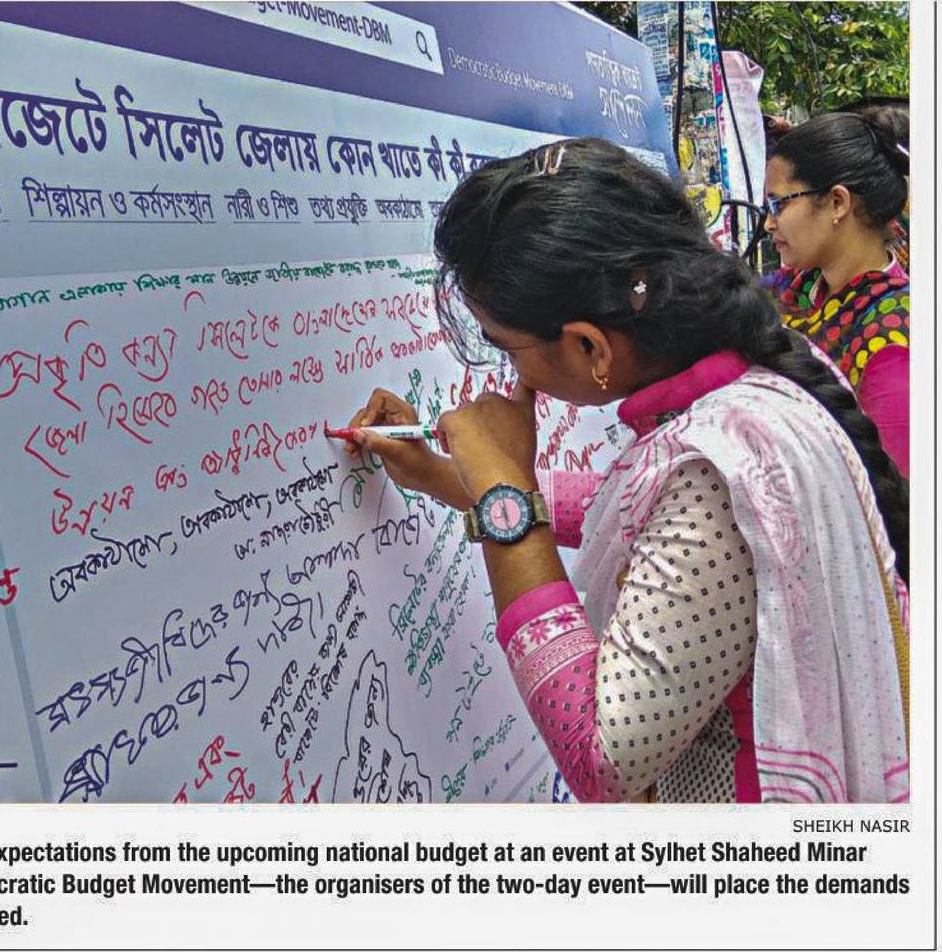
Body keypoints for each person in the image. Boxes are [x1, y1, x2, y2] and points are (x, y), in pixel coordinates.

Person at [346, 138, 909, 803]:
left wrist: (505, 495)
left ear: (590, 346)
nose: (509, 375)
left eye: (507, 349)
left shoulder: (713, 472)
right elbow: (632, 506)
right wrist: (447, 476)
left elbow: (602, 759)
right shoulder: (739, 388)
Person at [763, 111, 910, 477]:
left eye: (779, 205)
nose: (768, 223)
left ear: (837, 203)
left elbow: (895, 492)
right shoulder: (795, 287)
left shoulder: (891, 341)